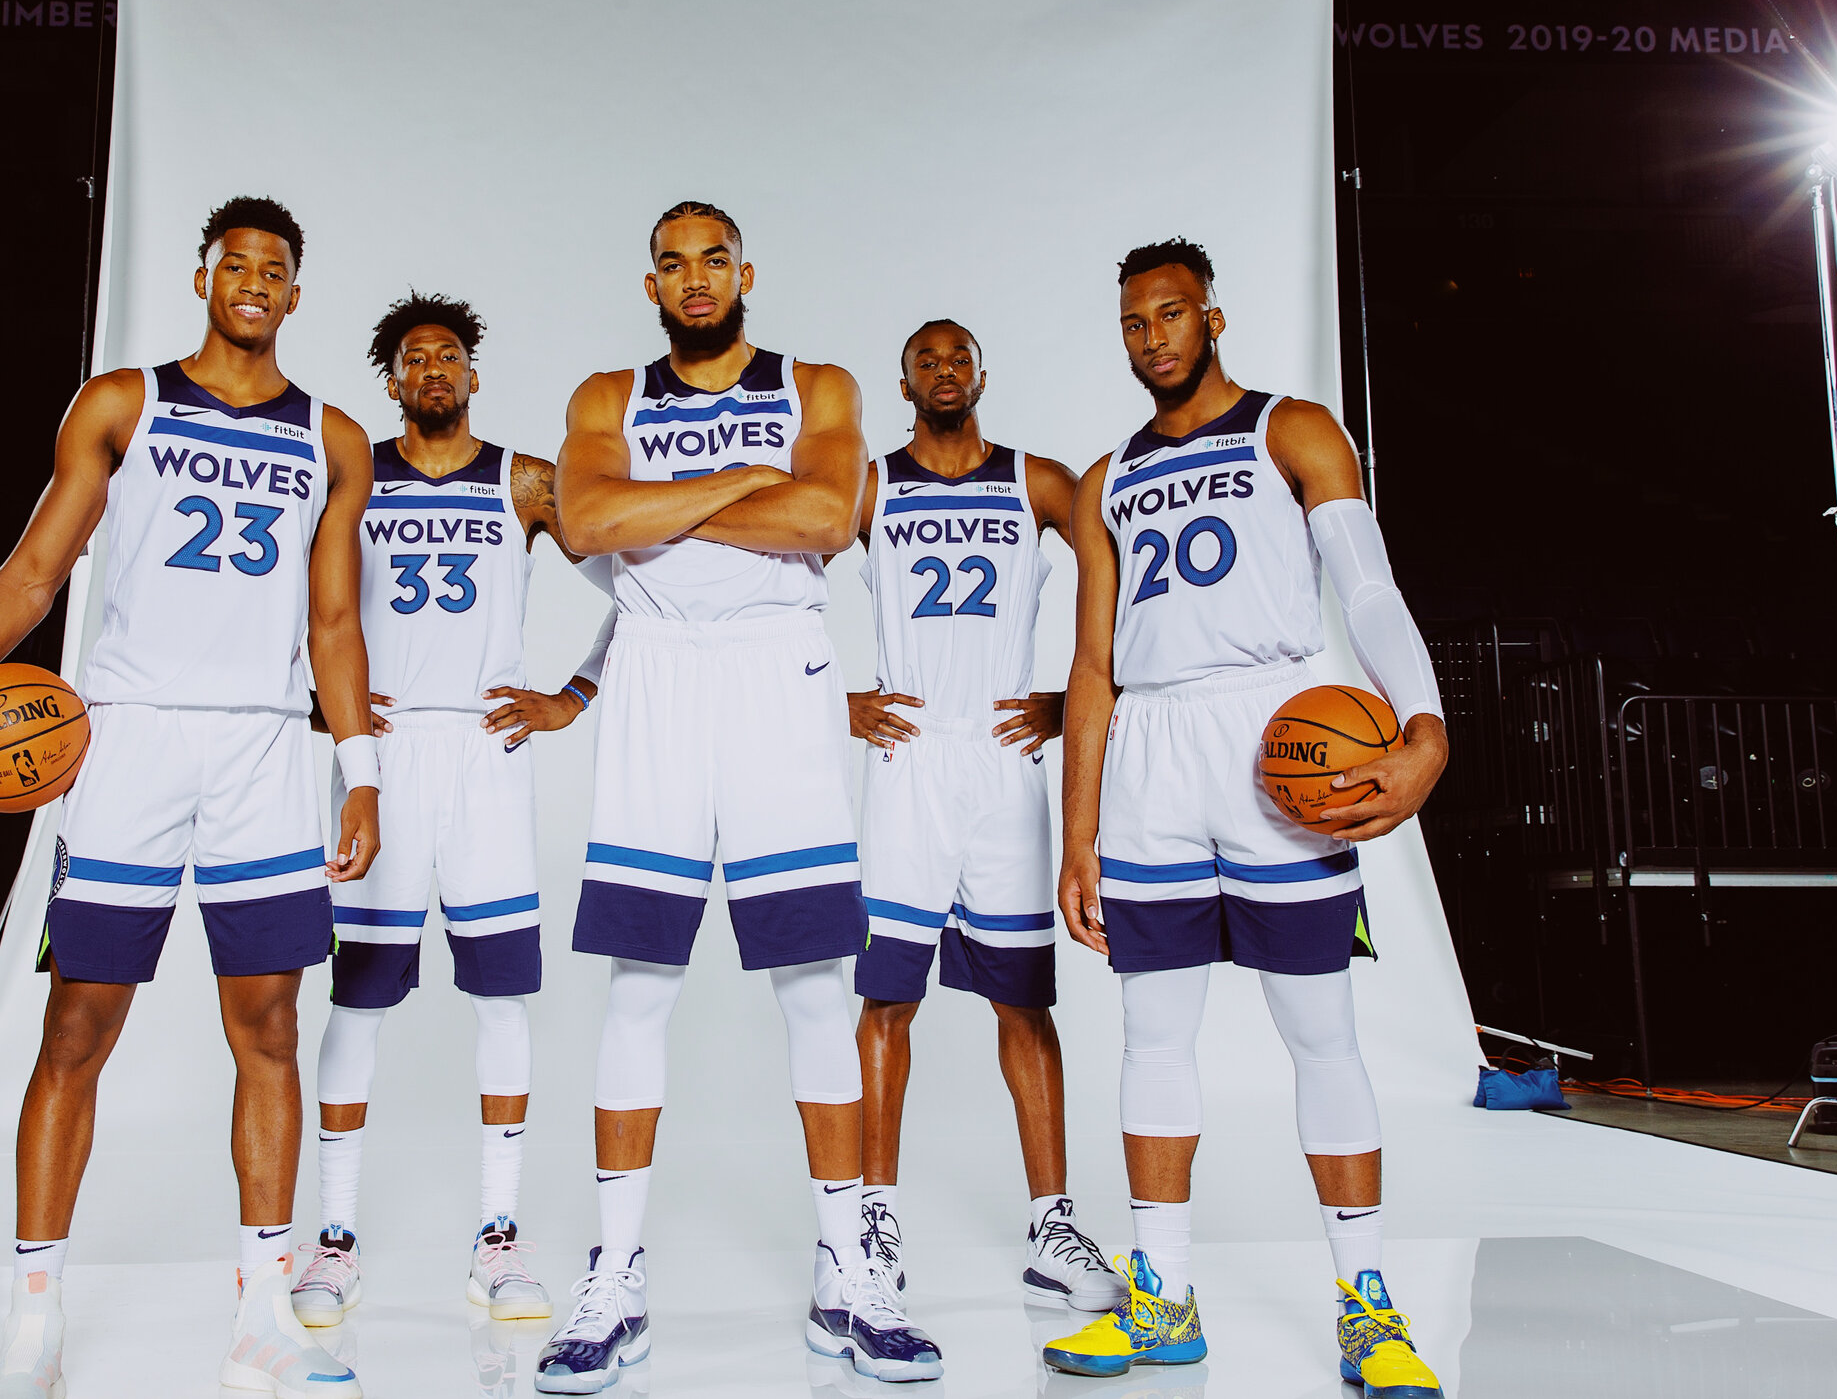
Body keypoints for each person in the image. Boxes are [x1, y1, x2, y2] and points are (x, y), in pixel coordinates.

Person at [0, 197, 381, 1399]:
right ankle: (34, 1305)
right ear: (204, 276)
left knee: (268, 1028)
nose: (255, 282)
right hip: (129, 741)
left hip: (267, 749)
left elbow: (332, 620)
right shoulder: (125, 401)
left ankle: (267, 1302)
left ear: (295, 293)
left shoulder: (335, 434)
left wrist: (360, 768)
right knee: (77, 1028)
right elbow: (37, 567)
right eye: (237, 264)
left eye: (277, 269)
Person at [533, 201, 943, 1392]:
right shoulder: (608, 392)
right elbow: (584, 516)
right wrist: (742, 479)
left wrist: (665, 506)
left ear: (745, 270)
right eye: (673, 262)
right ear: (650, 283)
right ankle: (615, 1272)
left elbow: (828, 515)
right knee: (639, 983)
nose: (694, 277)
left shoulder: (818, 381)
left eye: (714, 257)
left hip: (780, 676)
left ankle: (846, 1267)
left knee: (818, 987)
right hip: (655, 680)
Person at [1040, 237, 1450, 1397]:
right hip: (1152, 762)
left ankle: (1367, 1306)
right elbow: (1089, 666)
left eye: (1169, 314)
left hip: (1278, 745)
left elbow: (1366, 587)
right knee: (1153, 1037)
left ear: (1211, 317)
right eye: (1132, 322)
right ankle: (1162, 1296)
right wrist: (1077, 833)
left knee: (1321, 1035)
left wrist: (1423, 724)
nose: (1150, 336)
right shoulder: (1102, 475)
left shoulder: (1294, 426)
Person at [291, 292, 616, 1331]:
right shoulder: (353, 474)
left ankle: (498, 1235)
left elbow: (642, 587)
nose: (432, 369)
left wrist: (574, 694)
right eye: (412, 358)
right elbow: (288, 598)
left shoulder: (525, 480)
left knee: (500, 999)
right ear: (391, 381)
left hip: (486, 755)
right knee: (359, 996)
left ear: (473, 375)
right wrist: (315, 699)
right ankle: (333, 1237)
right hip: (378, 758)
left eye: (448, 356)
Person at [846, 318, 1123, 1316]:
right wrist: (832, 699)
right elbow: (775, 585)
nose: (945, 369)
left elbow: (1124, 573)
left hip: (1006, 767)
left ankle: (1052, 1222)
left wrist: (1085, 690)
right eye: (927, 357)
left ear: (981, 373)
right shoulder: (868, 483)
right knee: (886, 998)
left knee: (1024, 1003)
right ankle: (868, 1216)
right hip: (907, 761)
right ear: (905, 378)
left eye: (959, 355)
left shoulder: (1037, 480)